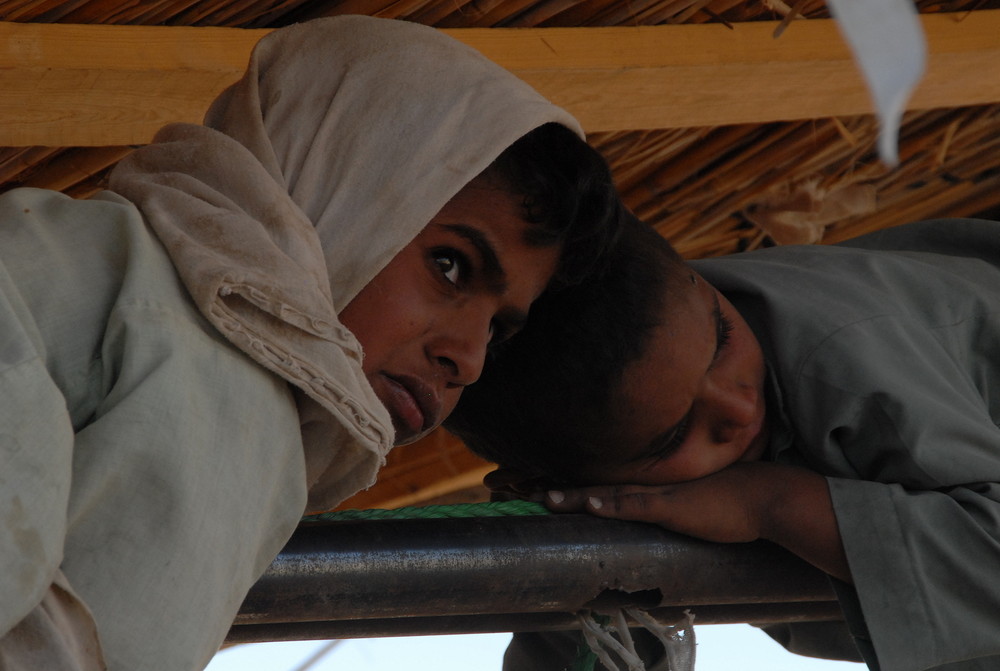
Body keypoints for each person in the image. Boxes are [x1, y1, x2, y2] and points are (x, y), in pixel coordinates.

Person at [0, 15, 621, 671]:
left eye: (498, 328)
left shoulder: (256, 429)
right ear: (333, 181)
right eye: (450, 266)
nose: (466, 357)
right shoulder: (109, 284)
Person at [446, 212, 1000, 671]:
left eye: (723, 342)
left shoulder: (853, 371)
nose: (739, 408)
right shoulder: (595, 434)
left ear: (697, 280)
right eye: (678, 433)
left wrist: (774, 504)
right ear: (552, 481)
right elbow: (582, 640)